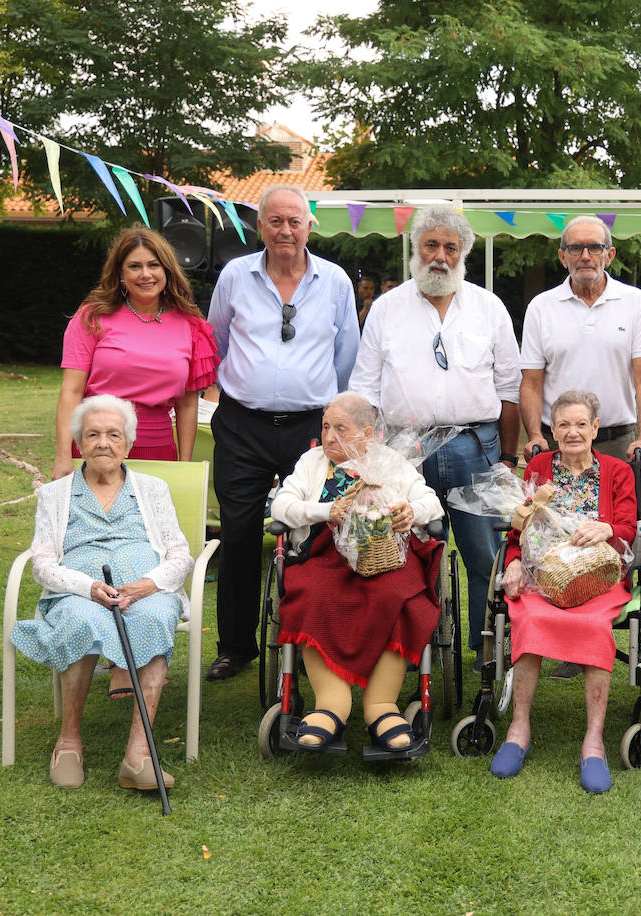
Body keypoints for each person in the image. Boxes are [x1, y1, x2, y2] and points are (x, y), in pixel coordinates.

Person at [350, 205, 520, 663]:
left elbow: (509, 389)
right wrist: (366, 459)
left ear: (463, 252)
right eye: (431, 245)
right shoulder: (386, 309)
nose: (440, 257)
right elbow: (364, 388)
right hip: (405, 450)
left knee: (485, 553)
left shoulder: (489, 307)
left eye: (450, 247)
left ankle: (488, 653)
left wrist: (507, 457)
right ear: (415, 249)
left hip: (474, 445)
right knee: (405, 553)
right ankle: (413, 652)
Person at [205, 184, 360, 682]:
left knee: (314, 530)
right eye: (275, 221)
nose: (285, 230)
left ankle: (307, 636)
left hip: (310, 428)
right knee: (239, 529)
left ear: (310, 226)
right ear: (260, 227)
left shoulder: (335, 281)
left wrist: (335, 420)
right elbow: (218, 341)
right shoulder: (235, 275)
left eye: (294, 221)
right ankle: (236, 645)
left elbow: (347, 357)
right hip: (242, 425)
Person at [9, 395, 192, 790]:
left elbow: (180, 553)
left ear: (128, 443)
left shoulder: (153, 489)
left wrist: (148, 585)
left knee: (158, 615)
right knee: (81, 620)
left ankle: (137, 756)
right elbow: (42, 563)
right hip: (79, 594)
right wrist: (87, 586)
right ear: (79, 443)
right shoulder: (54, 495)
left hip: (144, 592)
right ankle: (69, 741)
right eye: (93, 435)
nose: (103, 443)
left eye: (113, 435)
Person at [268, 392, 444, 754]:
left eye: (340, 429)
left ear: (366, 433)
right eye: (326, 427)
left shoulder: (389, 462)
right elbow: (282, 506)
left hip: (384, 557)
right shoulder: (312, 462)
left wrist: (410, 510)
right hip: (324, 554)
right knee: (313, 594)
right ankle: (331, 703)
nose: (330, 437)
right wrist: (326, 511)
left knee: (399, 597)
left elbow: (431, 502)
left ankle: (381, 705)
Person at [489, 391, 638, 793]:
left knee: (592, 625)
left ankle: (594, 741)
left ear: (595, 428)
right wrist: (514, 561)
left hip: (598, 578)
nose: (573, 432)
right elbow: (519, 527)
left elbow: (628, 526)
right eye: (564, 424)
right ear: (553, 430)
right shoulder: (538, 467)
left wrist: (608, 529)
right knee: (531, 617)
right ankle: (519, 728)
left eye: (581, 424)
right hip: (544, 578)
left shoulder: (617, 471)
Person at [53, 228, 218, 480]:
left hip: (159, 451)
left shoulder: (190, 325)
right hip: (98, 446)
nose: (145, 274)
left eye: (154, 265)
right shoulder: (91, 317)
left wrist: (184, 465)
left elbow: (187, 403)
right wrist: (63, 456)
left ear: (167, 270)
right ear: (120, 273)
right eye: (134, 266)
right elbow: (71, 391)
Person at [519, 216, 641, 468]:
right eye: (575, 248)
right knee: (553, 509)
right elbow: (531, 382)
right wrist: (535, 436)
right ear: (563, 257)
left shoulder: (636, 302)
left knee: (617, 508)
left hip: (616, 443)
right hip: (558, 441)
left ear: (610, 254)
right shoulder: (541, 307)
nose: (585, 256)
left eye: (595, 247)